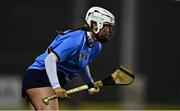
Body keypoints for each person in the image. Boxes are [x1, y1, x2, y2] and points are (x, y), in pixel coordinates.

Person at [22, 6, 115, 110]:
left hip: (46, 79)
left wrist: (90, 83)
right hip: (40, 76)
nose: (109, 32)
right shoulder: (76, 39)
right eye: (107, 27)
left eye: (111, 28)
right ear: (95, 24)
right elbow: (50, 59)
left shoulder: (96, 46)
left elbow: (82, 64)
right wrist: (56, 86)